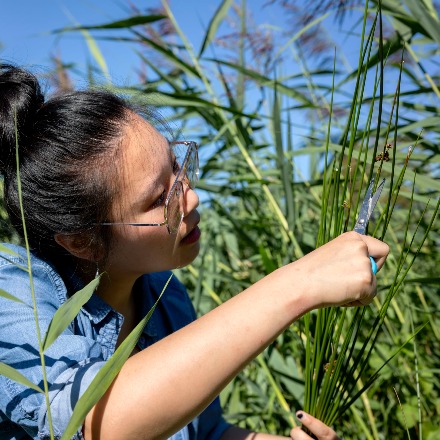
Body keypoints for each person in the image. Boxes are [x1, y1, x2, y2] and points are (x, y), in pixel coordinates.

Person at [0, 63, 389, 440]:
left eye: (177, 165)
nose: (192, 197)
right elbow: (94, 423)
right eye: (158, 198)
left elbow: (206, 432)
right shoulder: (11, 292)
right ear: (80, 240)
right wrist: (299, 283)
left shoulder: (166, 296)